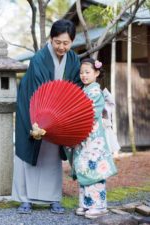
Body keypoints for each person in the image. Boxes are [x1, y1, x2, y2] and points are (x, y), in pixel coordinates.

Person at [11, 19, 82, 214]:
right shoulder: (39, 59)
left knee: (51, 155)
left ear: (72, 42)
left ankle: (53, 199)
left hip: (57, 114)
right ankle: (24, 199)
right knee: (30, 150)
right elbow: (39, 90)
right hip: (33, 109)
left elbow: (75, 88)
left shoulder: (74, 60)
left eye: (66, 43)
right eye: (57, 42)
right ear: (51, 39)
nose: (61, 47)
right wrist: (40, 120)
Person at [71, 58, 117, 219]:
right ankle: (86, 204)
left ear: (96, 73)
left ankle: (99, 206)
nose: (83, 75)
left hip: (93, 138)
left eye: (87, 72)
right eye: (81, 72)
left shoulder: (95, 92)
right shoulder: (83, 90)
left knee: (95, 170)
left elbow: (91, 114)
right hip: (83, 138)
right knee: (83, 169)